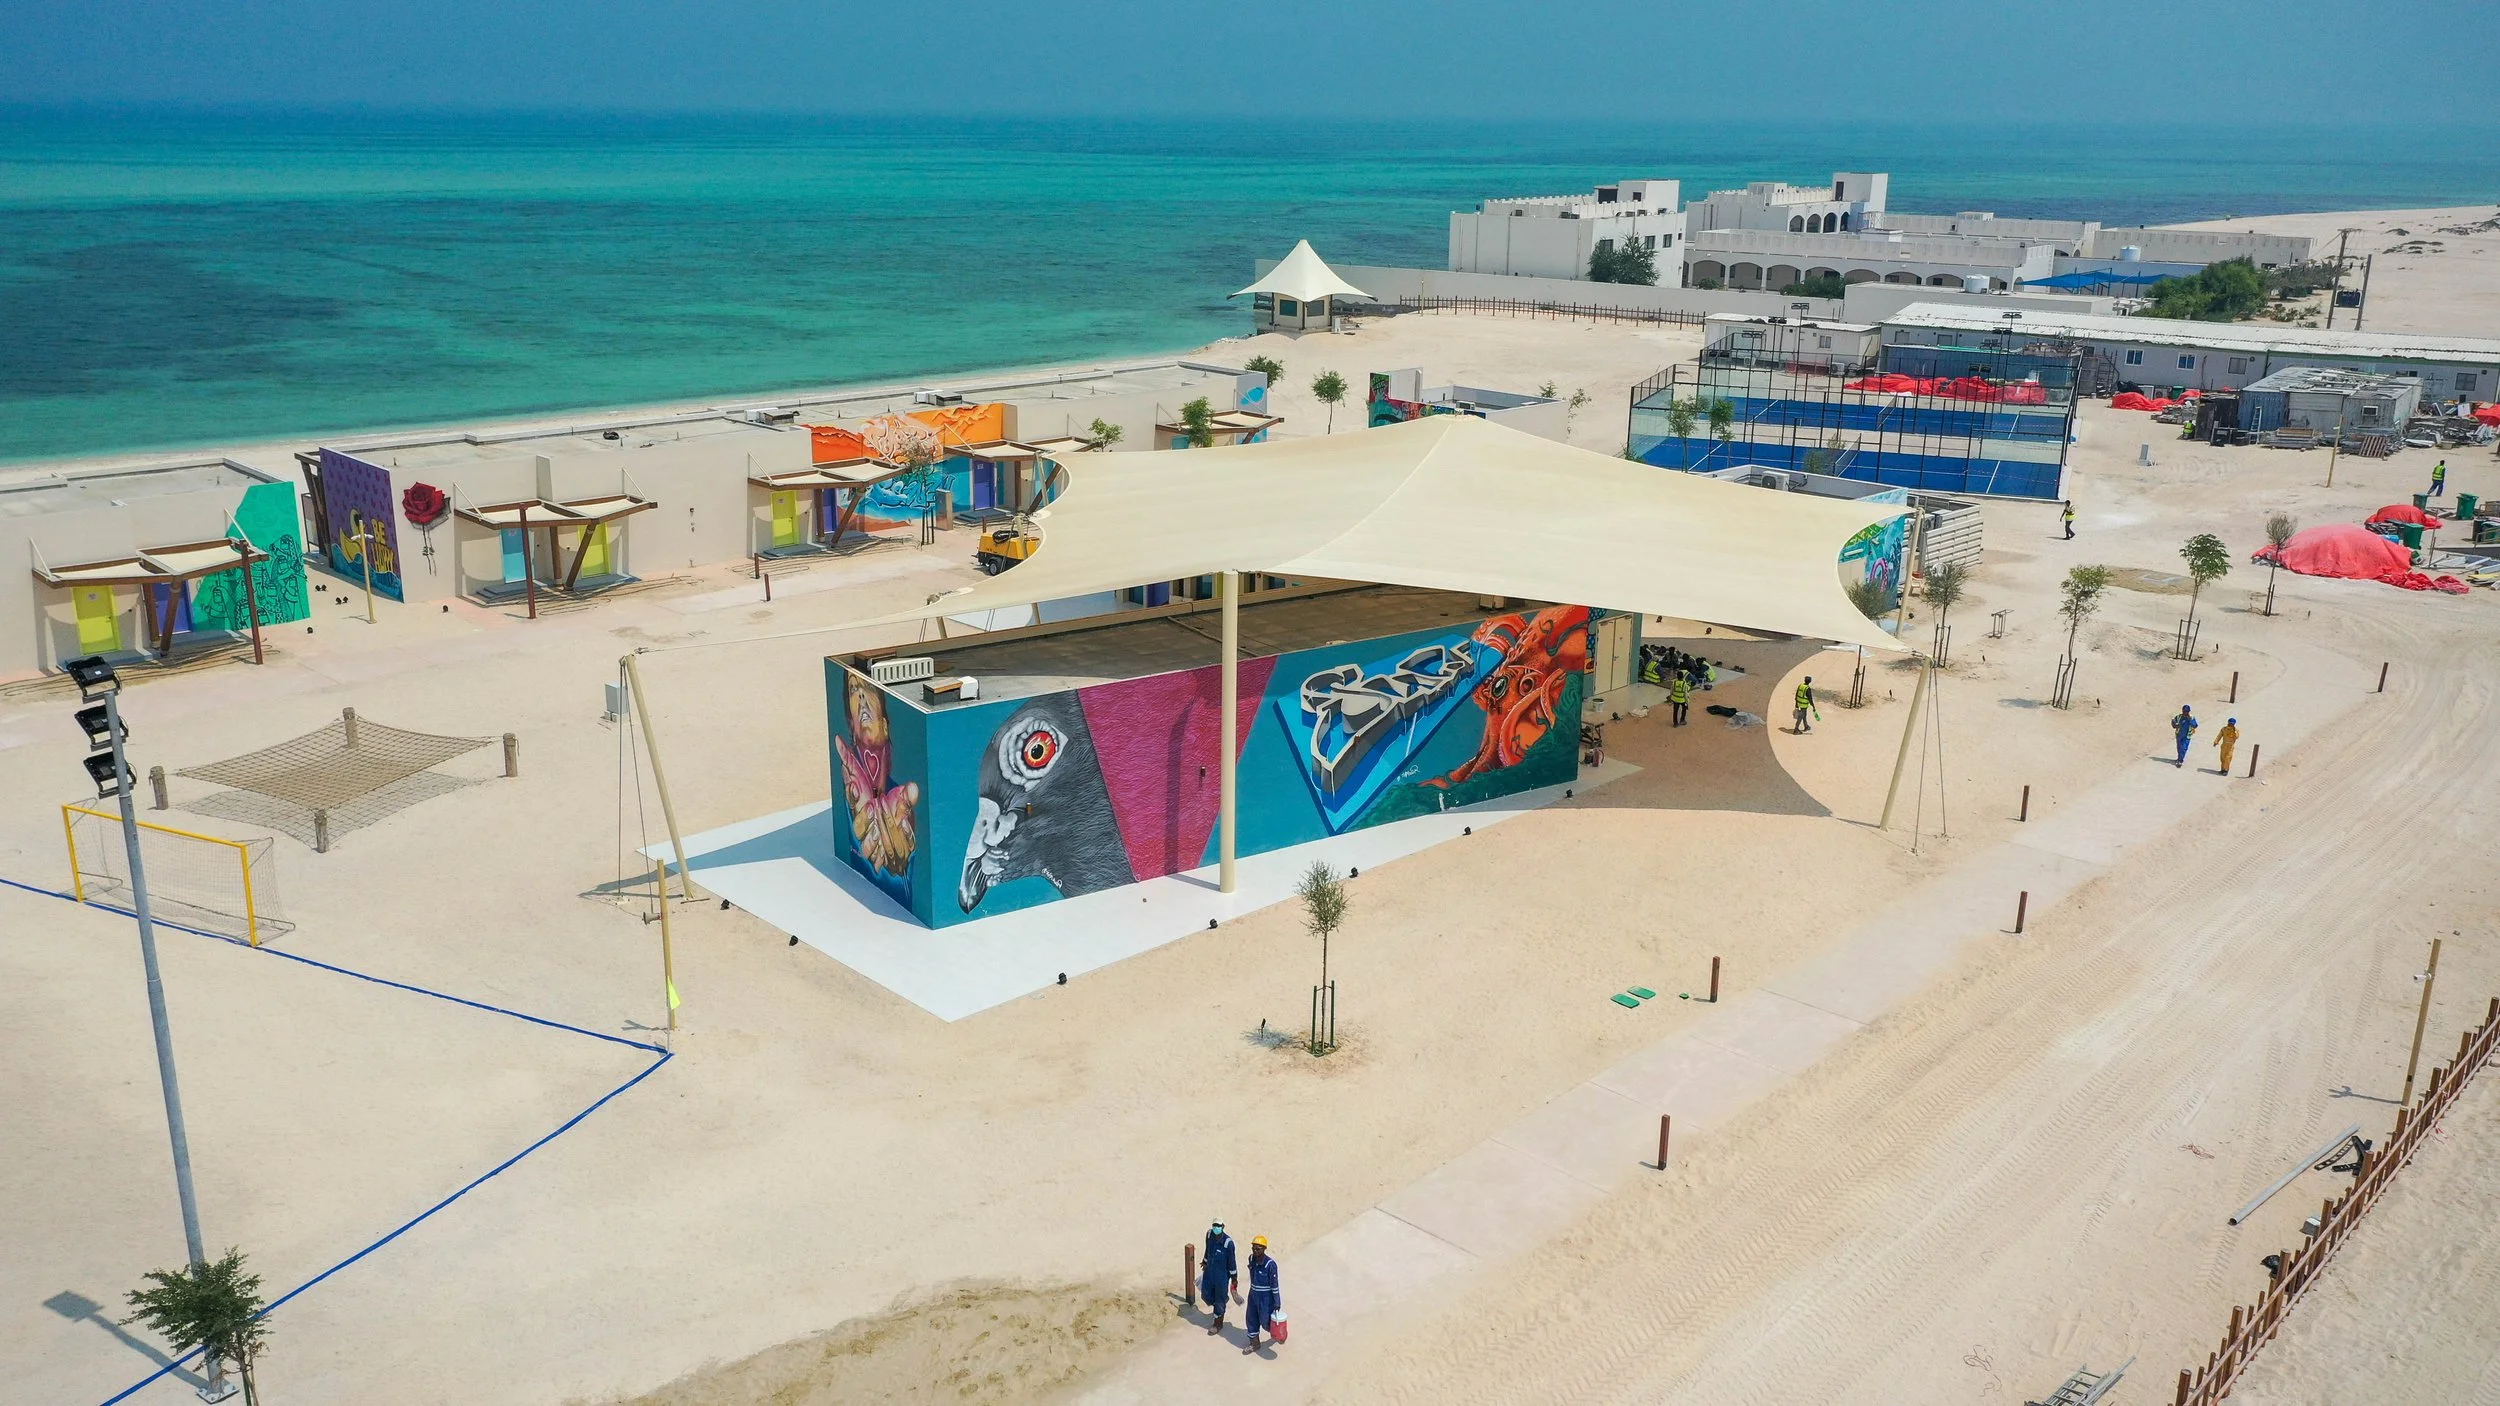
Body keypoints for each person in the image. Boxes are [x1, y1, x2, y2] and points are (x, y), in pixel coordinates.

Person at [1243, 1236, 1282, 1352]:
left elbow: (1275, 1285)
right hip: (1253, 1295)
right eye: (1253, 1248)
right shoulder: (1251, 1259)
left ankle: (1279, 1332)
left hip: (1266, 1298)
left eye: (1258, 1249)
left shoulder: (1270, 1265)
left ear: (1264, 1249)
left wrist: (1276, 1301)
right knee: (1251, 1319)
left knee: (1266, 1321)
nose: (1255, 1251)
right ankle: (1254, 1344)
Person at [1200, 1220, 1239, 1335]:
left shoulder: (1228, 1243)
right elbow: (1208, 1249)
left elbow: (1232, 1261)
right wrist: (1205, 1261)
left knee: (1219, 1300)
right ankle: (1220, 1304)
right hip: (1209, 1272)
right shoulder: (1209, 1235)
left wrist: (1234, 1277)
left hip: (1221, 1276)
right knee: (1206, 1294)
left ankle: (1218, 1323)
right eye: (1214, 1225)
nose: (1216, 1228)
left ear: (1223, 1226)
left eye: (1219, 1226)